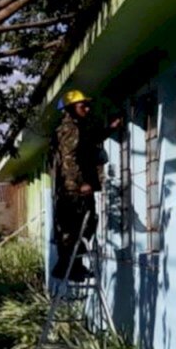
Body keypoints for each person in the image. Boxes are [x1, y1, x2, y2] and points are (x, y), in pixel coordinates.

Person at [50, 89, 120, 282]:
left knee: (83, 228)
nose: (87, 109)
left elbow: (90, 142)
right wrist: (79, 185)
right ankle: (68, 268)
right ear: (71, 108)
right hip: (72, 191)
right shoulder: (69, 128)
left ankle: (72, 268)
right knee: (74, 230)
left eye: (87, 105)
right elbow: (68, 159)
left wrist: (111, 129)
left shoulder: (78, 127)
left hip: (77, 189)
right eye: (83, 106)